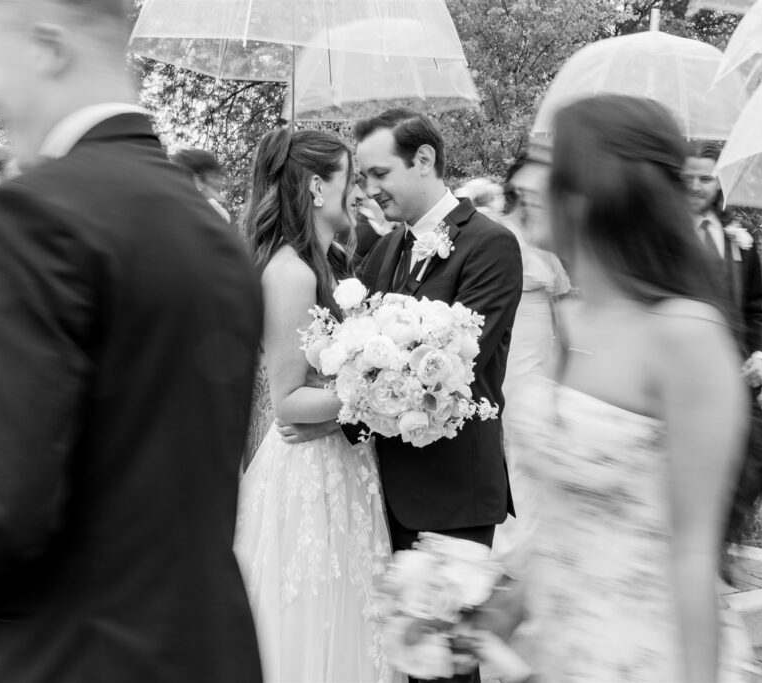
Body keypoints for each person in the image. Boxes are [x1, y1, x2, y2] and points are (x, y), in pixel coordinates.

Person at [0, 1, 263, 681]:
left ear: (50, 46)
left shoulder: (33, 215)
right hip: (202, 651)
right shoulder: (210, 227)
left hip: (65, 654)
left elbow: (0, 517)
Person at [479, 94, 755, 682]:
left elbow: (692, 552)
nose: (524, 180)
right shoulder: (570, 317)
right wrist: (505, 606)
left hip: (645, 655)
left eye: (547, 162)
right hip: (556, 650)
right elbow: (565, 513)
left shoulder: (685, 334)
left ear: (602, 186)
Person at [281, 109, 523, 683]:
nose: (369, 190)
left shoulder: (490, 246)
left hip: (451, 492)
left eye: (378, 173)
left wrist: (330, 417)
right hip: (380, 489)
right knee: (401, 659)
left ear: (424, 160)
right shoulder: (383, 254)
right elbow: (361, 359)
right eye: (361, 178)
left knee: (445, 667)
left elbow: (450, 372)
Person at [234, 128, 395, 683]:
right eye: (350, 178)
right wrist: (382, 396)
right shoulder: (291, 273)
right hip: (308, 480)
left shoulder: (330, 265)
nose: (358, 192)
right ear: (315, 188)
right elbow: (288, 402)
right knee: (313, 628)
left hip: (342, 466)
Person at [455, 174, 571, 560]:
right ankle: (508, 547)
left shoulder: (544, 244)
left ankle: (535, 543)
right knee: (511, 439)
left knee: (535, 442)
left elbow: (561, 308)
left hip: (540, 358)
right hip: (510, 351)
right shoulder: (498, 236)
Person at [683, 140, 762, 545]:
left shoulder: (739, 239)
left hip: (737, 379)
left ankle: (712, 538)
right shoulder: (664, 239)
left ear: (720, 183)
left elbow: (756, 308)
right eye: (685, 178)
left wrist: (761, 355)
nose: (694, 186)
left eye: (704, 178)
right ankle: (697, 548)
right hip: (686, 379)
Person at [172, 147, 231, 222]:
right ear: (196, 179)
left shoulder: (218, 212)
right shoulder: (174, 212)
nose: (219, 183)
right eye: (213, 177)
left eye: (218, 176)